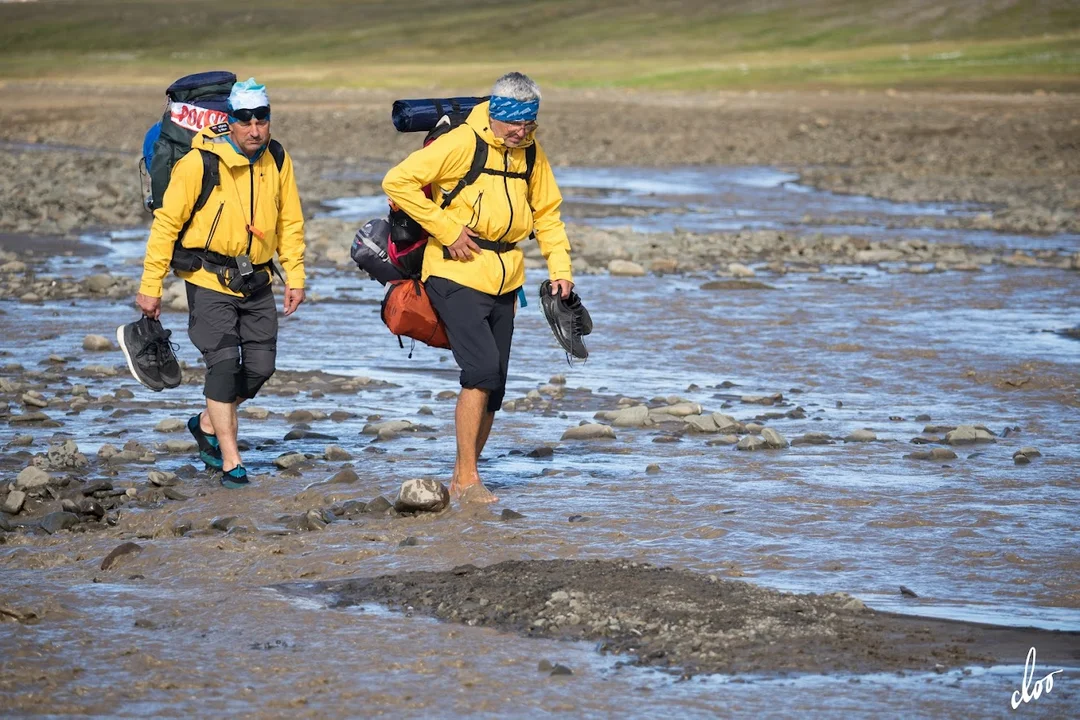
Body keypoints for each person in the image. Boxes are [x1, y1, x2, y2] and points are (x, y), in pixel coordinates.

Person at [382, 72, 575, 504]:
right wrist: (448, 230)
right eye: (514, 126)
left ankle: (460, 476)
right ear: (496, 116)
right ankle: (468, 480)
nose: (521, 133)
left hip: (506, 277)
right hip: (453, 271)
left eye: (529, 126)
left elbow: (547, 213)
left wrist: (561, 269)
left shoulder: (530, 153)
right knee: (481, 371)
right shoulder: (462, 143)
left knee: (496, 386)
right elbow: (397, 181)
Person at [132, 77, 306, 488]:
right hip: (207, 277)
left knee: (261, 368)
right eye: (244, 119)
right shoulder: (199, 162)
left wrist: (294, 276)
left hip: (258, 279)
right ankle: (232, 461)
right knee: (224, 367)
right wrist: (150, 285)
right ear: (230, 121)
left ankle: (208, 421)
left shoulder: (277, 157)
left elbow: (291, 221)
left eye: (261, 118)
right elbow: (166, 225)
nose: (254, 128)